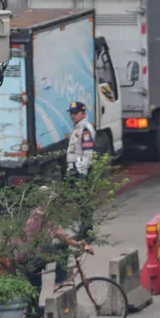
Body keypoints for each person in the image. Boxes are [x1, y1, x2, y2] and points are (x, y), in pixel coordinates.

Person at [66, 101, 98, 243]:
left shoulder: (85, 128)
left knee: (84, 202)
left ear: (83, 113)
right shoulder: (78, 127)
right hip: (75, 168)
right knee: (80, 203)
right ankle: (83, 231)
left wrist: (82, 172)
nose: (72, 116)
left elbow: (88, 152)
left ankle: (88, 234)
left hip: (81, 170)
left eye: (75, 113)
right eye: (71, 113)